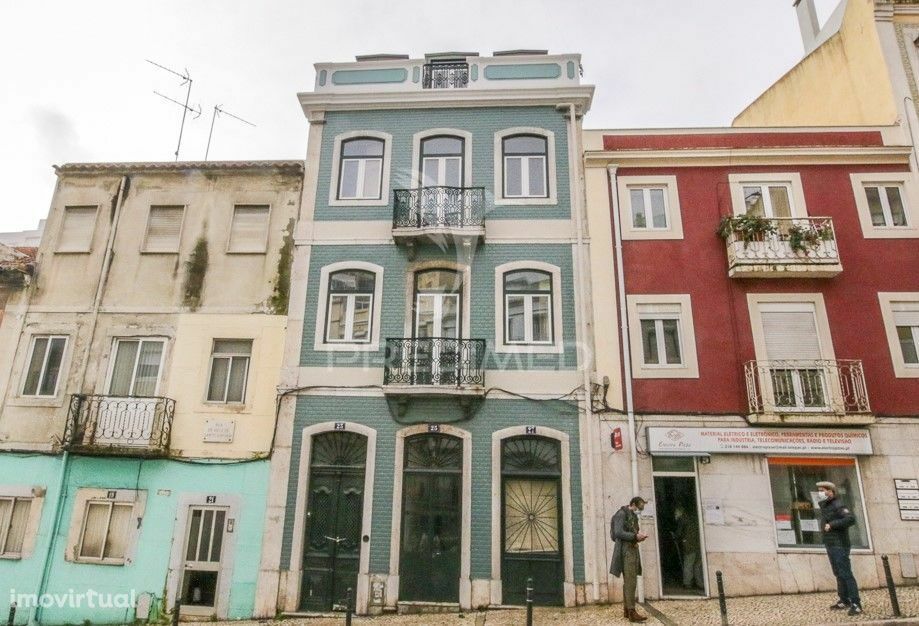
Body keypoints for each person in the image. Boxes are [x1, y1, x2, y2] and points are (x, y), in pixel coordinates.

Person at [816, 481, 862, 616]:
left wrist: (832, 525)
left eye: (822, 490)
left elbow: (850, 519)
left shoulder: (838, 504)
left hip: (839, 544)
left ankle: (856, 603)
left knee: (846, 573)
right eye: (819, 490)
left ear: (831, 491)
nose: (820, 493)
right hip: (830, 543)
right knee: (838, 573)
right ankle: (844, 599)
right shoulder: (826, 505)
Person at [610, 496, 649, 623]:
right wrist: (635, 536)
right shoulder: (621, 514)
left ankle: (627, 609)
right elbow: (617, 533)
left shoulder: (632, 515)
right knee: (630, 581)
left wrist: (639, 536)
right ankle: (631, 611)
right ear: (632, 504)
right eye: (638, 508)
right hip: (626, 551)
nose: (639, 511)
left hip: (632, 549)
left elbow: (633, 531)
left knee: (630, 580)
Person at [674, 505, 703, 590]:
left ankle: (687, 583)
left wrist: (674, 536)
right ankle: (700, 583)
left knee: (688, 564)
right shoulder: (691, 519)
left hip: (689, 545)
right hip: (697, 544)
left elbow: (679, 533)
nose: (675, 514)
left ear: (680, 512)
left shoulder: (682, 520)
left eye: (676, 513)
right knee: (697, 565)